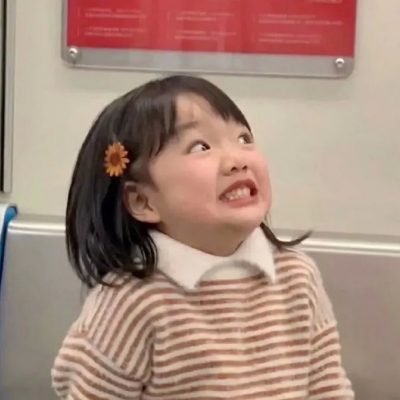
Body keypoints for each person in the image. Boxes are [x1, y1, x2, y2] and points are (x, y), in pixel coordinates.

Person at [51, 74, 354, 400]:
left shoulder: (298, 276)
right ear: (142, 201)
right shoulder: (131, 302)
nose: (237, 160)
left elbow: (328, 390)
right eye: (201, 147)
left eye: (243, 138)